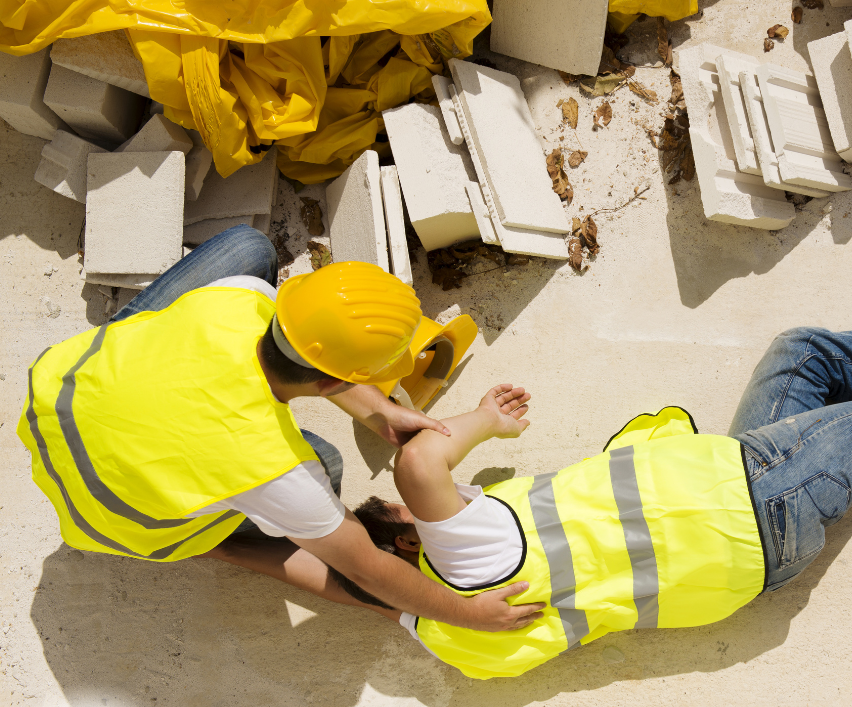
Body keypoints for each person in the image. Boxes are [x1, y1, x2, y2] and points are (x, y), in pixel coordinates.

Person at [216, 255, 852, 679]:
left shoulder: (436, 629)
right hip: (748, 512)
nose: (396, 494)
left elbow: (329, 576)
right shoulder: (467, 558)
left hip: (725, 515)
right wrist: (476, 418)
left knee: (802, 355)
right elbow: (428, 464)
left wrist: (225, 546)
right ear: (404, 532)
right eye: (387, 508)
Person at [18, 225, 543, 633]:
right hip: (113, 517)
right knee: (329, 467)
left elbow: (310, 357)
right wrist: (467, 614)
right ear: (336, 379)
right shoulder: (280, 471)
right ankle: (211, 537)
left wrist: (377, 410)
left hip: (58, 399)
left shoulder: (239, 298)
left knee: (248, 247)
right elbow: (365, 571)